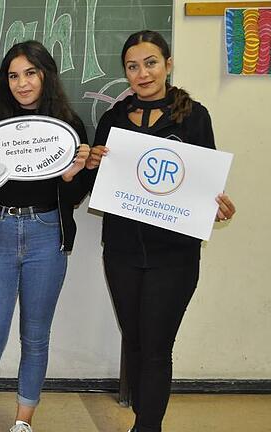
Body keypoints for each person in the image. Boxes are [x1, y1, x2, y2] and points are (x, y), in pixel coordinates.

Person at [85, 30, 236, 432]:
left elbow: (205, 183)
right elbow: (95, 188)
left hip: (174, 255)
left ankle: (147, 427)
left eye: (150, 63)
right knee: (134, 341)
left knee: (156, 347)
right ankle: (143, 418)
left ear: (168, 65)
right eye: (132, 66)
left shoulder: (194, 115)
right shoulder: (112, 120)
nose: (142, 73)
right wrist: (91, 164)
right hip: (121, 251)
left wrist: (216, 206)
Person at [0, 41, 91, 432]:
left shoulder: (69, 125)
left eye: (30, 73)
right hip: (1, 230)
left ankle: (23, 420)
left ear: (46, 74)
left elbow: (73, 196)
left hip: (47, 233)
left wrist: (72, 176)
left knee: (35, 337)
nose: (22, 83)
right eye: (14, 75)